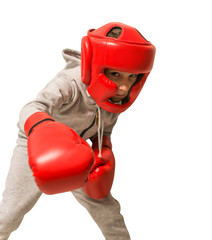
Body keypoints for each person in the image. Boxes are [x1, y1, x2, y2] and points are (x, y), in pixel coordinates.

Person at [0, 22, 156, 240]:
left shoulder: (115, 98)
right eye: (115, 74)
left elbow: (105, 125)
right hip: (36, 147)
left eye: (132, 77)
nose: (124, 86)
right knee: (9, 214)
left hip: (81, 152)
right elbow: (32, 107)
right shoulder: (70, 82)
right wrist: (43, 129)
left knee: (108, 211)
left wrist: (105, 148)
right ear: (98, 66)